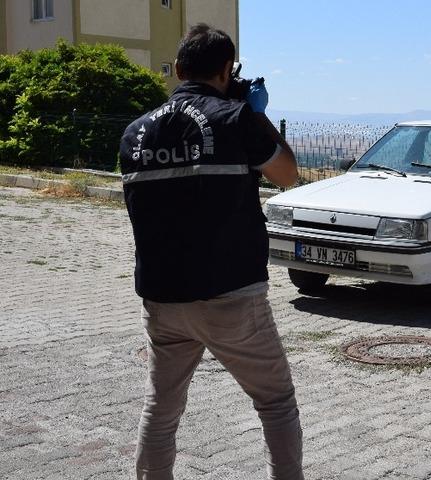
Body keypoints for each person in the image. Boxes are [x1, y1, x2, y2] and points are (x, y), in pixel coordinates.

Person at [119, 24, 303, 480]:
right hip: (230, 294)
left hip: (163, 298)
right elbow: (288, 175)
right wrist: (252, 112)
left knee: (160, 409)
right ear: (228, 69)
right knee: (275, 402)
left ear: (178, 68)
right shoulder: (235, 118)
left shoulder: (133, 134)